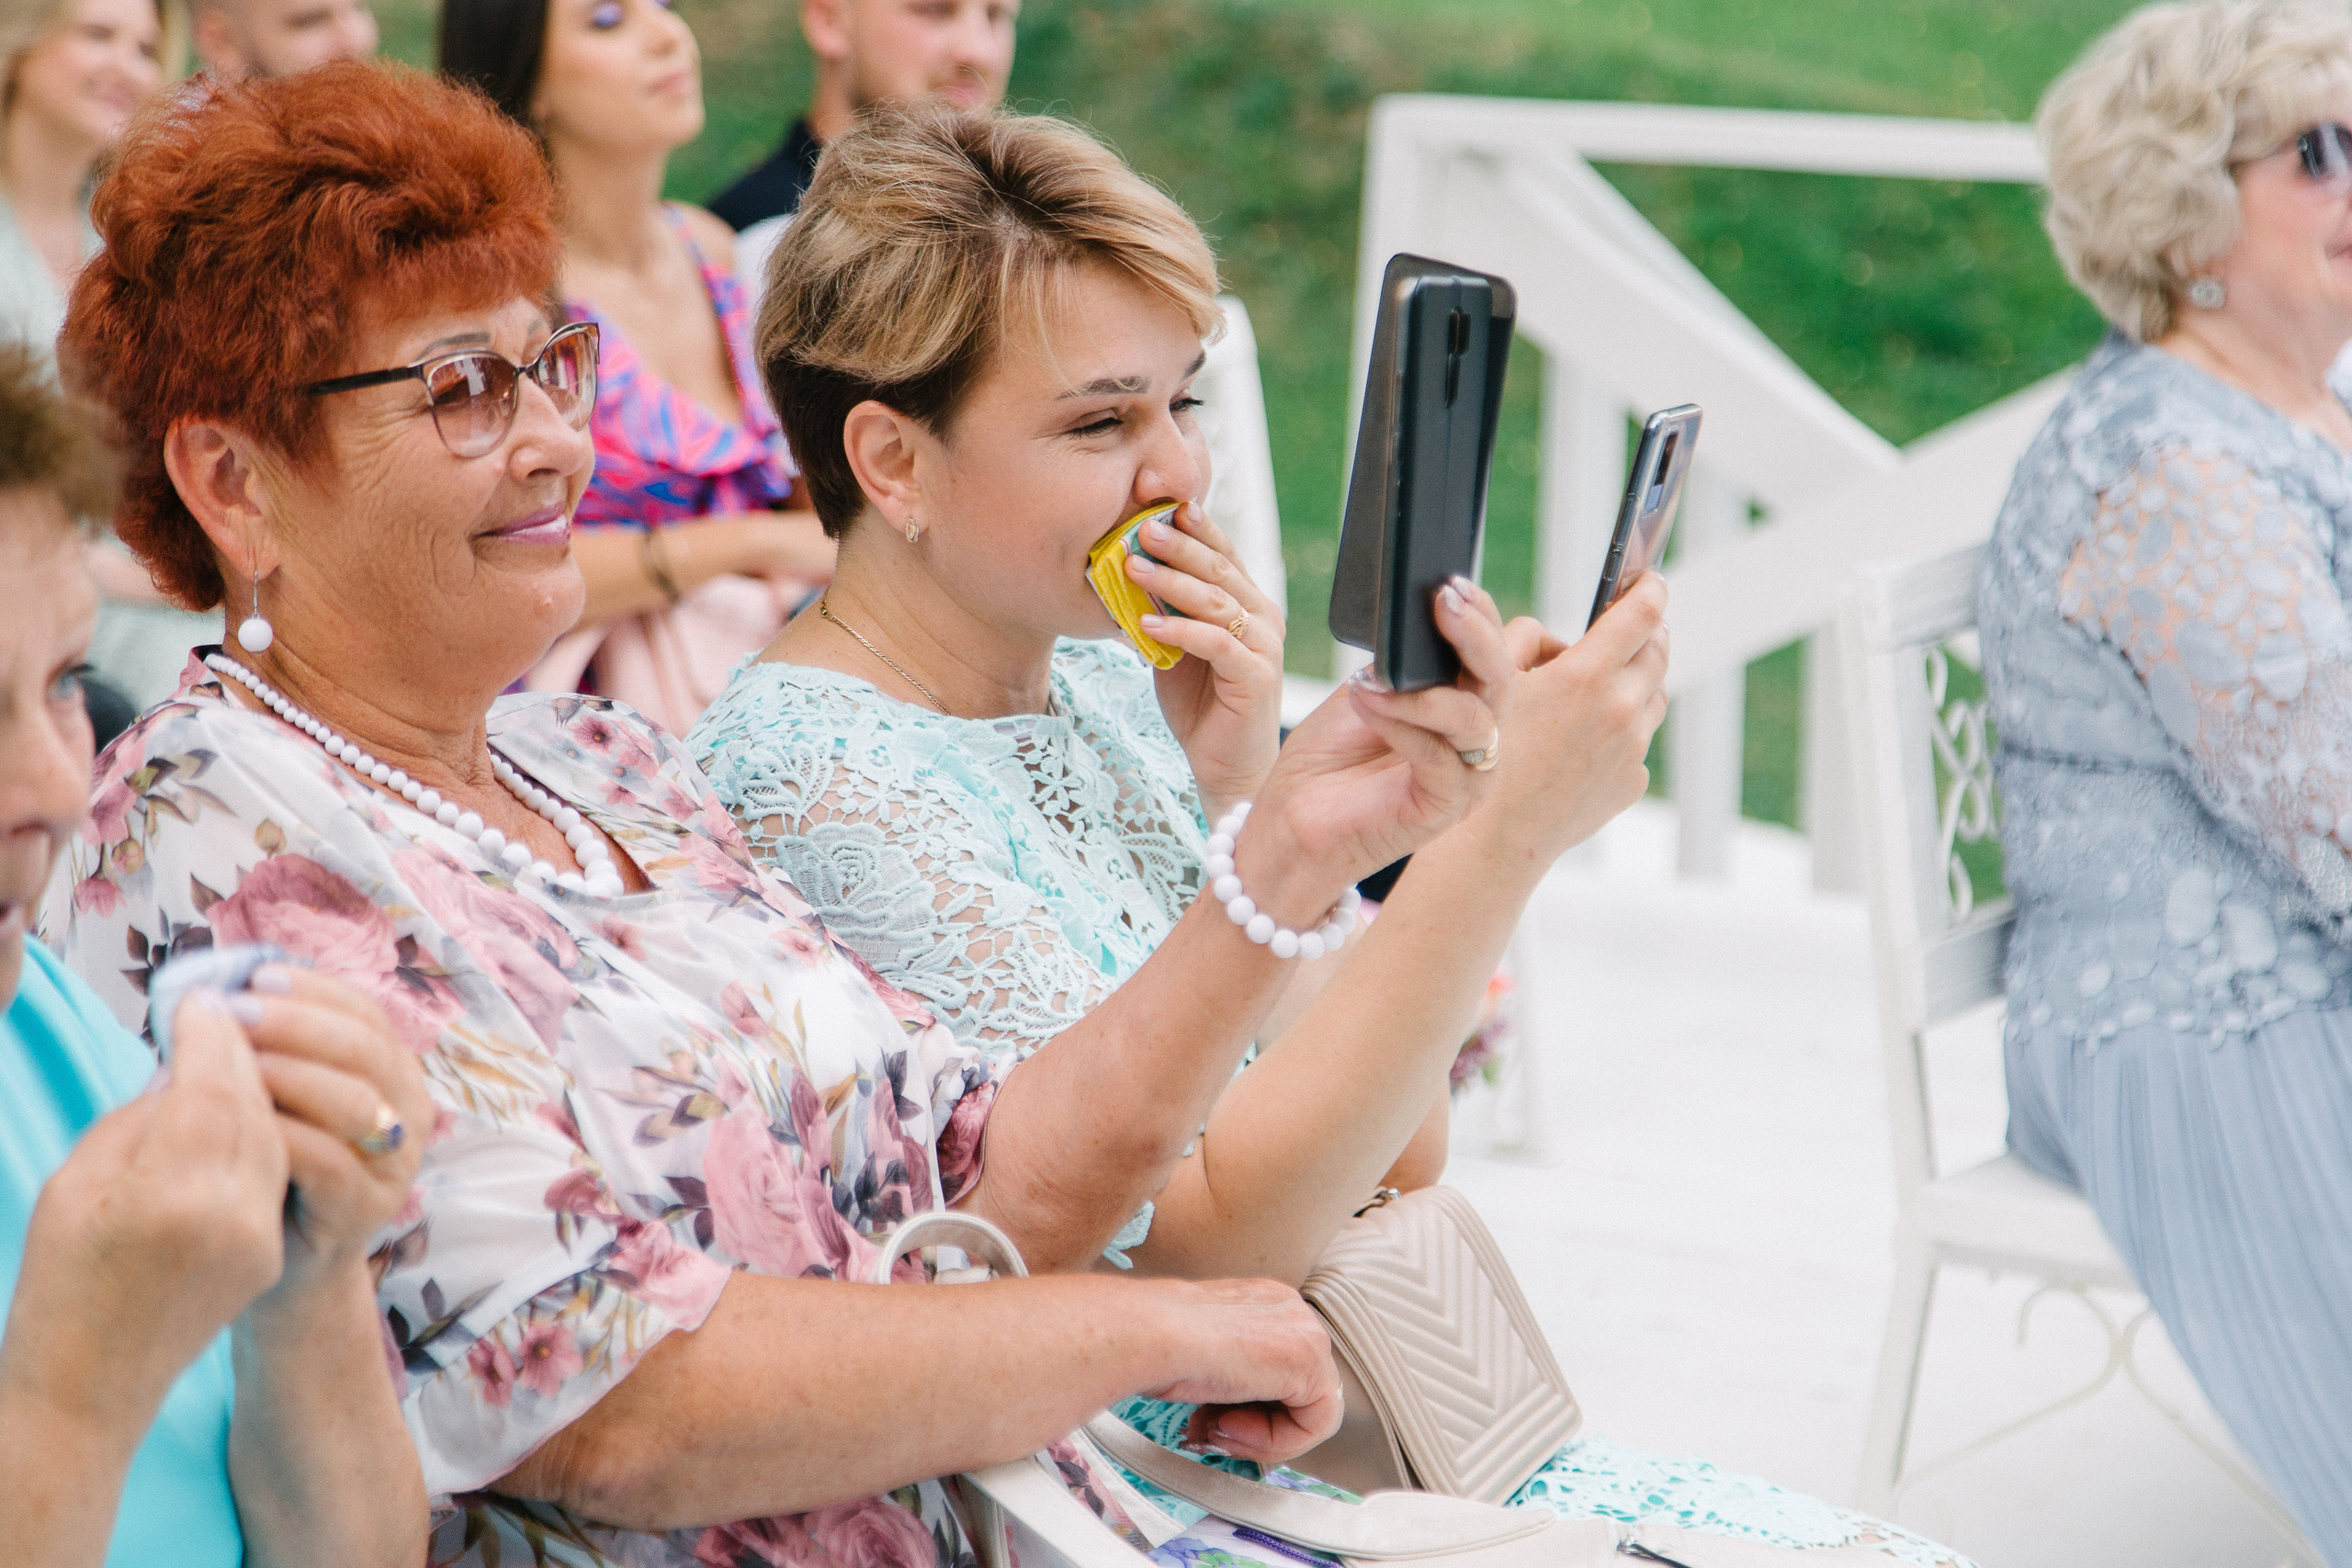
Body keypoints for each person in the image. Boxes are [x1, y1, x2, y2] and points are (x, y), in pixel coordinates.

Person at [40, 60, 1541, 1568]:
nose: (564, 441)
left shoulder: (602, 760)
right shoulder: (222, 830)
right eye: (461, 389)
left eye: (552, 363)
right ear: (233, 480)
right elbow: (610, 1401)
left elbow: (991, 1171)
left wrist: (1286, 842)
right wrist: (1143, 1329)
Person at [685, 102, 1972, 1568]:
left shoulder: (1106, 679)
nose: (1175, 473)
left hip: (1362, 1433)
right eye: (1101, 421)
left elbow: (1395, 1158)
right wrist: (1494, 849)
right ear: (892, 461)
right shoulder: (814, 779)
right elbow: (1201, 1260)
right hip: (1145, 1497)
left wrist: (1241, 785)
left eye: (1184, 404)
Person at [1981, 1, 2352, 1559]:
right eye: (2319, 150)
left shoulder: (2300, 409)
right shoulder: (2168, 467)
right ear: (2187, 204)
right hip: (2195, 1026)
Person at [0, 341, 431, 1568]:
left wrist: (311, 1282)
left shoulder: (42, 1020)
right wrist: (68, 1399)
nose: (52, 782)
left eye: (63, 679)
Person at [442, 0, 836, 739]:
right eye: (608, 20)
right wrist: (752, 542)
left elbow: (791, 496)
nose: (667, 37)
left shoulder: (709, 247)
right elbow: (477, 549)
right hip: (585, 716)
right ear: (530, 83)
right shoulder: (506, 294)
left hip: (765, 670)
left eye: (664, 7)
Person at [2, 0, 212, 728]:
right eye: (98, 35)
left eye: (146, 47)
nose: (127, 65)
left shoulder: (128, 241)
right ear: (20, 46)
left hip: (151, 577)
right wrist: (118, 574)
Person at [708, 0, 1016, 291]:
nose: (980, 52)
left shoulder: (1026, 230)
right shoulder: (737, 254)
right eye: (934, 9)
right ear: (829, 18)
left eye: (996, 14)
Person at [188, 0, 373, 79]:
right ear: (221, 42)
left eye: (357, 6)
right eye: (309, 21)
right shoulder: (187, 154)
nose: (356, 41)